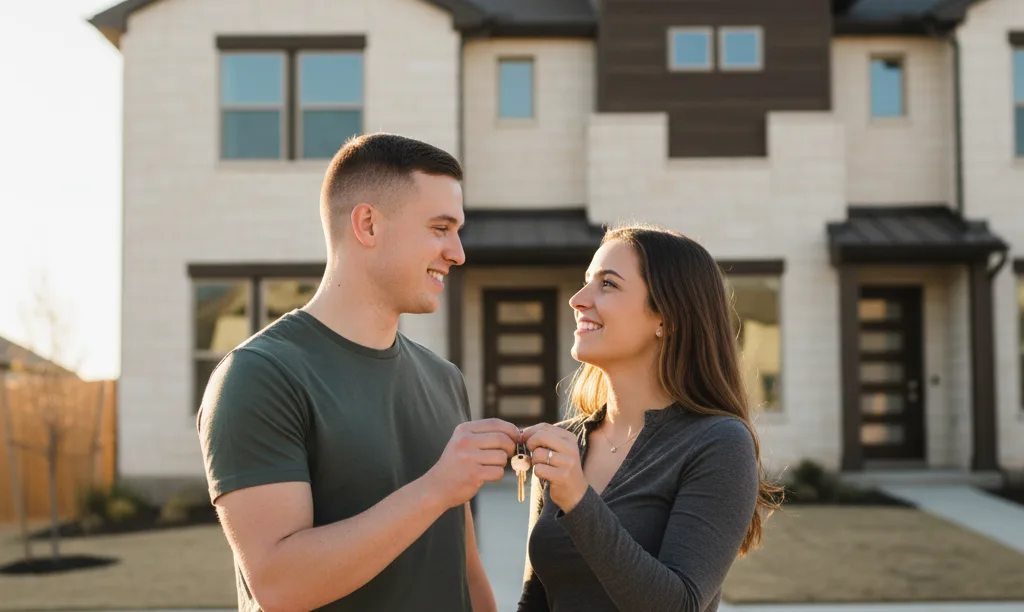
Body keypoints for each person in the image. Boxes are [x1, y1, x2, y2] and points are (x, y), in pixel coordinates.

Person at [197, 133, 521, 612]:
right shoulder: (259, 376)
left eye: (457, 231)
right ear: (368, 224)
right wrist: (435, 487)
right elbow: (280, 585)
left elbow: (464, 567)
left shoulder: (443, 378)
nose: (458, 252)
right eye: (439, 228)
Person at [517, 224, 783, 612]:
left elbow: (679, 604)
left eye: (607, 284)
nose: (577, 299)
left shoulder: (718, 443)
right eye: (586, 281)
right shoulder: (566, 444)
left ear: (666, 317)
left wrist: (578, 498)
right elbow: (536, 600)